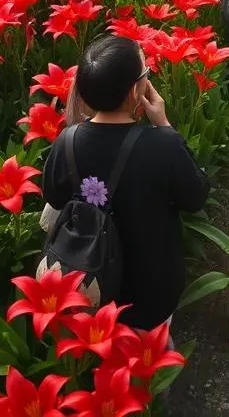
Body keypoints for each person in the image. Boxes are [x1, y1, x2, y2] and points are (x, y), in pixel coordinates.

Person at [42, 35, 210, 333]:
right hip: (150, 292)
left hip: (88, 285)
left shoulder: (65, 142)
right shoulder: (162, 145)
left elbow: (54, 197)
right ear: (135, 90)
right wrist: (165, 125)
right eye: (146, 74)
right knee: (151, 360)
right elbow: (195, 196)